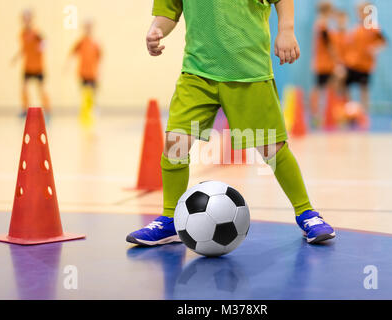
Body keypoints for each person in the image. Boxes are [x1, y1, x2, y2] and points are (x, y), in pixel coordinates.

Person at [127, 0, 335, 246]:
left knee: (272, 149)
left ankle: (306, 213)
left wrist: (286, 30)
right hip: (197, 73)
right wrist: (157, 29)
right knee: (176, 144)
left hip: (249, 72)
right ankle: (170, 218)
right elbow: (169, 10)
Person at [344, 1, 387, 113]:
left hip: (365, 65)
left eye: (363, 10)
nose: (360, 13)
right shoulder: (356, 28)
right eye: (359, 11)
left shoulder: (373, 27)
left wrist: (374, 49)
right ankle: (350, 110)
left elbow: (383, 42)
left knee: (364, 90)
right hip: (352, 63)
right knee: (345, 84)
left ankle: (364, 113)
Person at [11, 9, 50, 118]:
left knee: (41, 89)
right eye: (24, 18)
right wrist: (16, 58)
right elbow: (24, 49)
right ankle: (24, 109)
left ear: (31, 19)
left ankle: (47, 111)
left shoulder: (36, 32)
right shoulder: (22, 34)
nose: (26, 20)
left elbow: (45, 42)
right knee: (23, 88)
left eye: (28, 18)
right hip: (27, 66)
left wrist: (41, 47)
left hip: (38, 67)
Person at [67, 20, 102, 125]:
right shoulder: (80, 42)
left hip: (93, 73)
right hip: (83, 73)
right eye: (86, 27)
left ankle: (92, 110)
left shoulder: (96, 43)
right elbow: (72, 53)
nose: (88, 29)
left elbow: (100, 59)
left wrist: (99, 72)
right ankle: (84, 111)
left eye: (89, 27)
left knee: (93, 93)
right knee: (84, 93)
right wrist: (67, 66)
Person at [309, 1, 337, 127]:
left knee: (323, 90)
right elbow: (329, 46)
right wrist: (337, 61)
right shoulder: (322, 25)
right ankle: (318, 115)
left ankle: (323, 115)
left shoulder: (321, 24)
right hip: (324, 64)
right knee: (321, 90)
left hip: (323, 63)